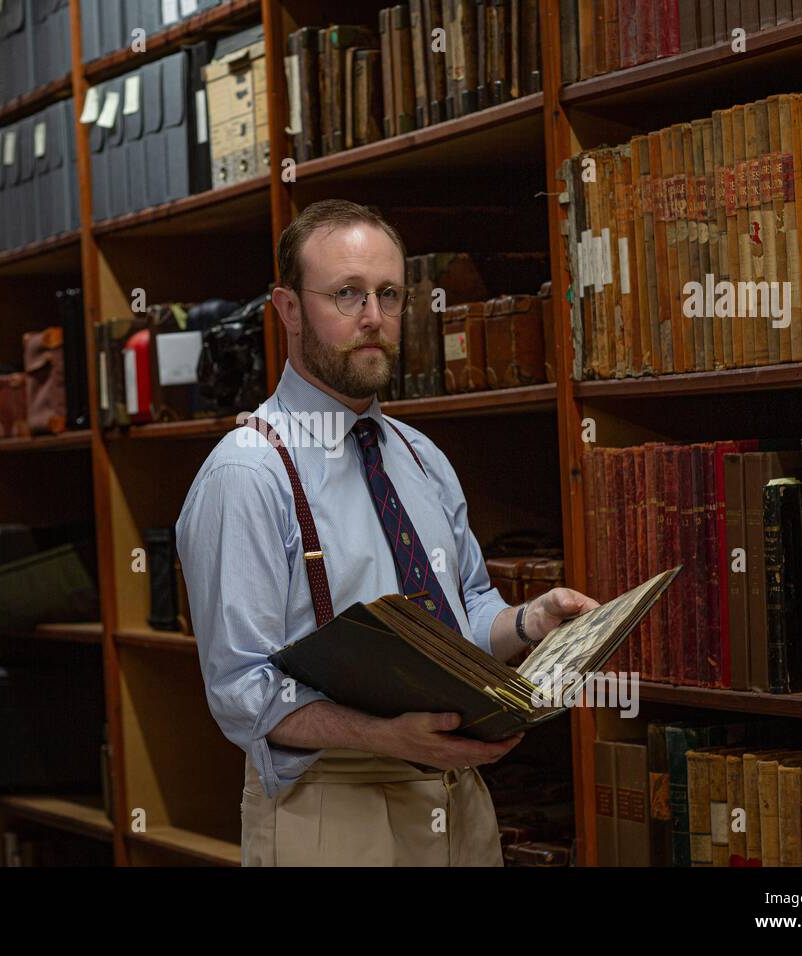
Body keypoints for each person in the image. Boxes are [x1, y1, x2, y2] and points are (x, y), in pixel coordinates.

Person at [175, 199, 598, 866]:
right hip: (331, 811)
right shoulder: (247, 474)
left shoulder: (422, 457)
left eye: (388, 294)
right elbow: (241, 691)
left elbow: (466, 611)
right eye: (347, 294)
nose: (373, 318)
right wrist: (384, 735)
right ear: (287, 310)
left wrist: (530, 621)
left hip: (458, 804)